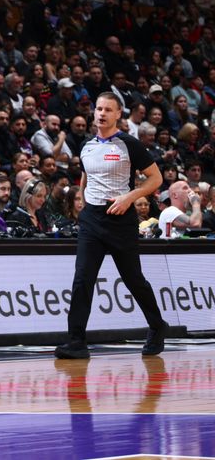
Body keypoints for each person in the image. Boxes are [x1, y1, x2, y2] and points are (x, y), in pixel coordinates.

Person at [55, 92, 168, 359]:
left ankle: (157, 325)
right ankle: (77, 341)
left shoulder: (129, 144)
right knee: (82, 279)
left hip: (121, 220)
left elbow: (156, 178)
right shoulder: (86, 145)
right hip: (92, 220)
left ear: (119, 114)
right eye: (99, 108)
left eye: (108, 109)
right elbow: (85, 177)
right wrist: (82, 201)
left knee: (133, 279)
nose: (102, 113)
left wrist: (130, 197)